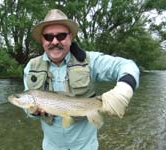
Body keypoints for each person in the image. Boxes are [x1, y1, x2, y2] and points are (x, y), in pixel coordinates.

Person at [23, 9, 140, 150]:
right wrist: (33, 112)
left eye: (61, 36)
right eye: (48, 37)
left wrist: (124, 90)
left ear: (70, 37)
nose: (54, 41)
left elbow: (128, 65)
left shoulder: (91, 61)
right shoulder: (31, 67)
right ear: (42, 40)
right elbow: (27, 107)